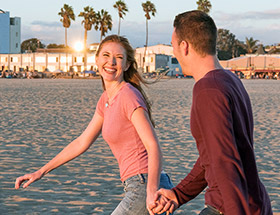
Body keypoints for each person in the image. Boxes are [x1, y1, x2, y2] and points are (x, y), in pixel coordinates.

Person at [15, 35, 173, 215]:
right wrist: (41, 172)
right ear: (97, 60)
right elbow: (82, 142)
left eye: (119, 58)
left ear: (127, 65)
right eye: (105, 55)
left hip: (146, 184)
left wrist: (151, 192)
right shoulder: (106, 99)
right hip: (140, 184)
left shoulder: (128, 95)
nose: (111, 62)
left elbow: (153, 146)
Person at [150, 10, 272, 215]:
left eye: (173, 46)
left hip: (230, 208)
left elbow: (224, 161)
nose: (174, 53)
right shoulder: (230, 80)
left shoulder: (207, 89)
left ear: (184, 46)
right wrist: (179, 194)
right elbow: (212, 155)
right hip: (252, 202)